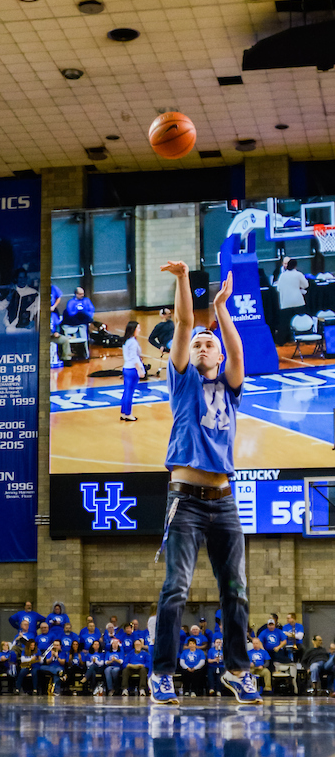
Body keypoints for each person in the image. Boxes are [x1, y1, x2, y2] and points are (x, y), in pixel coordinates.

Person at [149, 261, 260, 706]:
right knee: (176, 588)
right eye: (197, 343)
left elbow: (237, 353)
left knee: (236, 590)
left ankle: (237, 670)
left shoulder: (231, 386)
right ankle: (162, 674)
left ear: (218, 356)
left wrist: (221, 309)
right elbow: (183, 323)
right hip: (186, 501)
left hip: (224, 501)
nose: (201, 345)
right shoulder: (182, 383)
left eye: (208, 343)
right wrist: (182, 281)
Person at [258, 617, 297, 692]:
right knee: (268, 663)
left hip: (277, 650)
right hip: (267, 651)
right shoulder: (264, 632)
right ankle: (268, 686)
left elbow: (284, 641)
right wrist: (263, 649)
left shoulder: (278, 631)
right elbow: (259, 641)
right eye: (269, 625)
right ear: (267, 625)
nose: (271, 626)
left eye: (272, 625)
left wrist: (278, 647)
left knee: (279, 657)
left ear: (274, 625)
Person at [275, 257, 309, 342]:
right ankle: (303, 338)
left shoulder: (282, 275)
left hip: (285, 303)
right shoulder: (298, 274)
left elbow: (278, 288)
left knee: (284, 323)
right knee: (300, 321)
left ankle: (282, 340)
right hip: (298, 302)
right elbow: (306, 285)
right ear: (295, 266)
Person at [120, 320, 145, 423]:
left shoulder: (126, 341)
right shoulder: (133, 342)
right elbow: (134, 357)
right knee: (130, 392)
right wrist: (140, 370)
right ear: (133, 329)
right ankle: (128, 414)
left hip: (126, 367)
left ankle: (123, 412)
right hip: (132, 369)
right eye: (138, 328)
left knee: (126, 391)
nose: (139, 330)